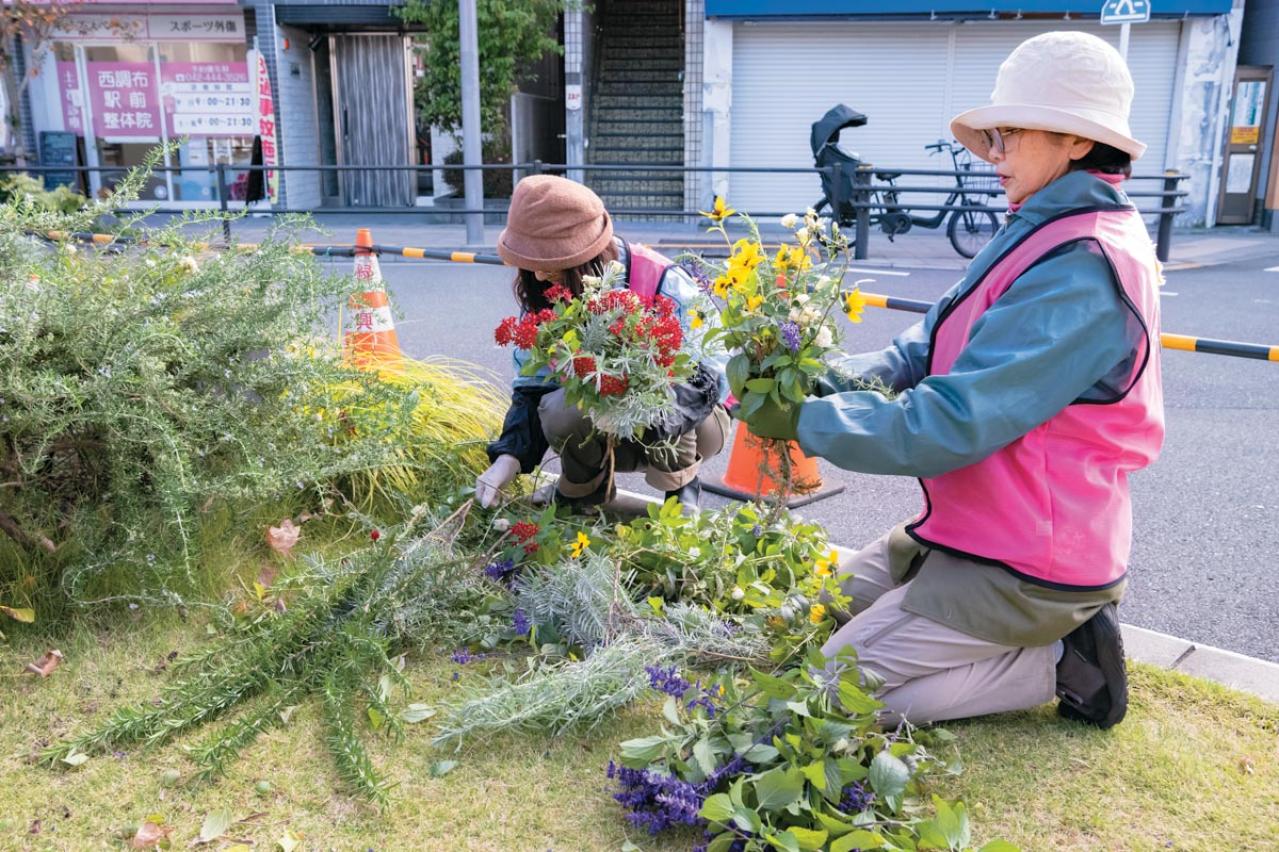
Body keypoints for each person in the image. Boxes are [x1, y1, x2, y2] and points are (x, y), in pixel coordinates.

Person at [741, 31, 1164, 729]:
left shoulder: (1083, 265)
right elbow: (932, 338)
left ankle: (1057, 660)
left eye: (1008, 134)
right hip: (974, 529)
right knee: (801, 621)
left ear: (1077, 141)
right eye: (992, 135)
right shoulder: (1042, 224)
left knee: (825, 691)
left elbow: (949, 424)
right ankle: (986, 639)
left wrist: (804, 422)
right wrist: (830, 379)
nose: (992, 154)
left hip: (1029, 559)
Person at [475, 175, 731, 511]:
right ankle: (582, 494)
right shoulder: (545, 299)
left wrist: (636, 394)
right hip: (608, 423)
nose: (537, 276)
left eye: (550, 263)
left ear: (588, 255)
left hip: (693, 425)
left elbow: (708, 379)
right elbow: (532, 390)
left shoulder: (662, 280)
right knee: (557, 410)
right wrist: (506, 460)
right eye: (532, 263)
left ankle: (681, 494)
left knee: (667, 381)